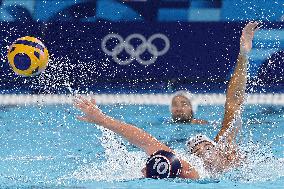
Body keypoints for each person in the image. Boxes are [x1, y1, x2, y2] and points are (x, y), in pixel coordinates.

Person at [74, 21, 260, 179]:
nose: (204, 150)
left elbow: (234, 101)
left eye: (205, 146)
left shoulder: (226, 149)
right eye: (198, 150)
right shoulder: (192, 171)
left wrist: (243, 55)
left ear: (216, 146)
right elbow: (146, 141)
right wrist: (102, 120)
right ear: (195, 158)